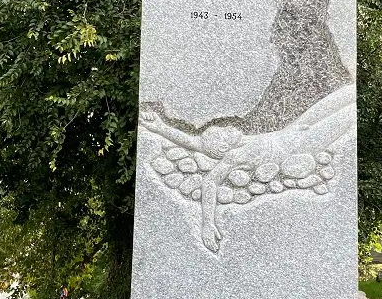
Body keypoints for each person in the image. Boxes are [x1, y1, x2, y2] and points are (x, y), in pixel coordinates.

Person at [139, 84, 354, 252]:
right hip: (304, 143)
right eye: (222, 131)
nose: (228, 127)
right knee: (350, 112)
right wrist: (207, 224)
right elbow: (211, 181)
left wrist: (160, 127)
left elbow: (194, 143)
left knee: (348, 93)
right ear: (223, 146)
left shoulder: (237, 142)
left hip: (295, 128)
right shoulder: (234, 155)